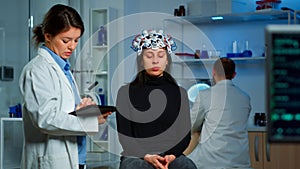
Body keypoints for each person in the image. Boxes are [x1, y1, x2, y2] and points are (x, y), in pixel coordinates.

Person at [19, 4, 110, 169]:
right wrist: (89, 122)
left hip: (76, 158)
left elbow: (66, 107)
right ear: (48, 36)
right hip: (52, 159)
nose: (72, 46)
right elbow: (46, 118)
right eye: (66, 40)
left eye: (76, 40)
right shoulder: (37, 70)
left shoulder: (64, 68)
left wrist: (88, 106)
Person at [115, 29, 197, 169]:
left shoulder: (180, 93)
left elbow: (184, 135)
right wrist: (147, 156)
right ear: (141, 61)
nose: (155, 61)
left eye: (160, 55)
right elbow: (125, 136)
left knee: (187, 166)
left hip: (170, 155)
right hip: (137, 155)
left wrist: (171, 155)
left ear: (167, 61)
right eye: (149, 56)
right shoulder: (125, 93)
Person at [184, 57, 252, 169]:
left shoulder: (205, 95)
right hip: (240, 162)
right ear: (234, 75)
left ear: (213, 72)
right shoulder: (245, 97)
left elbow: (190, 126)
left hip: (211, 162)